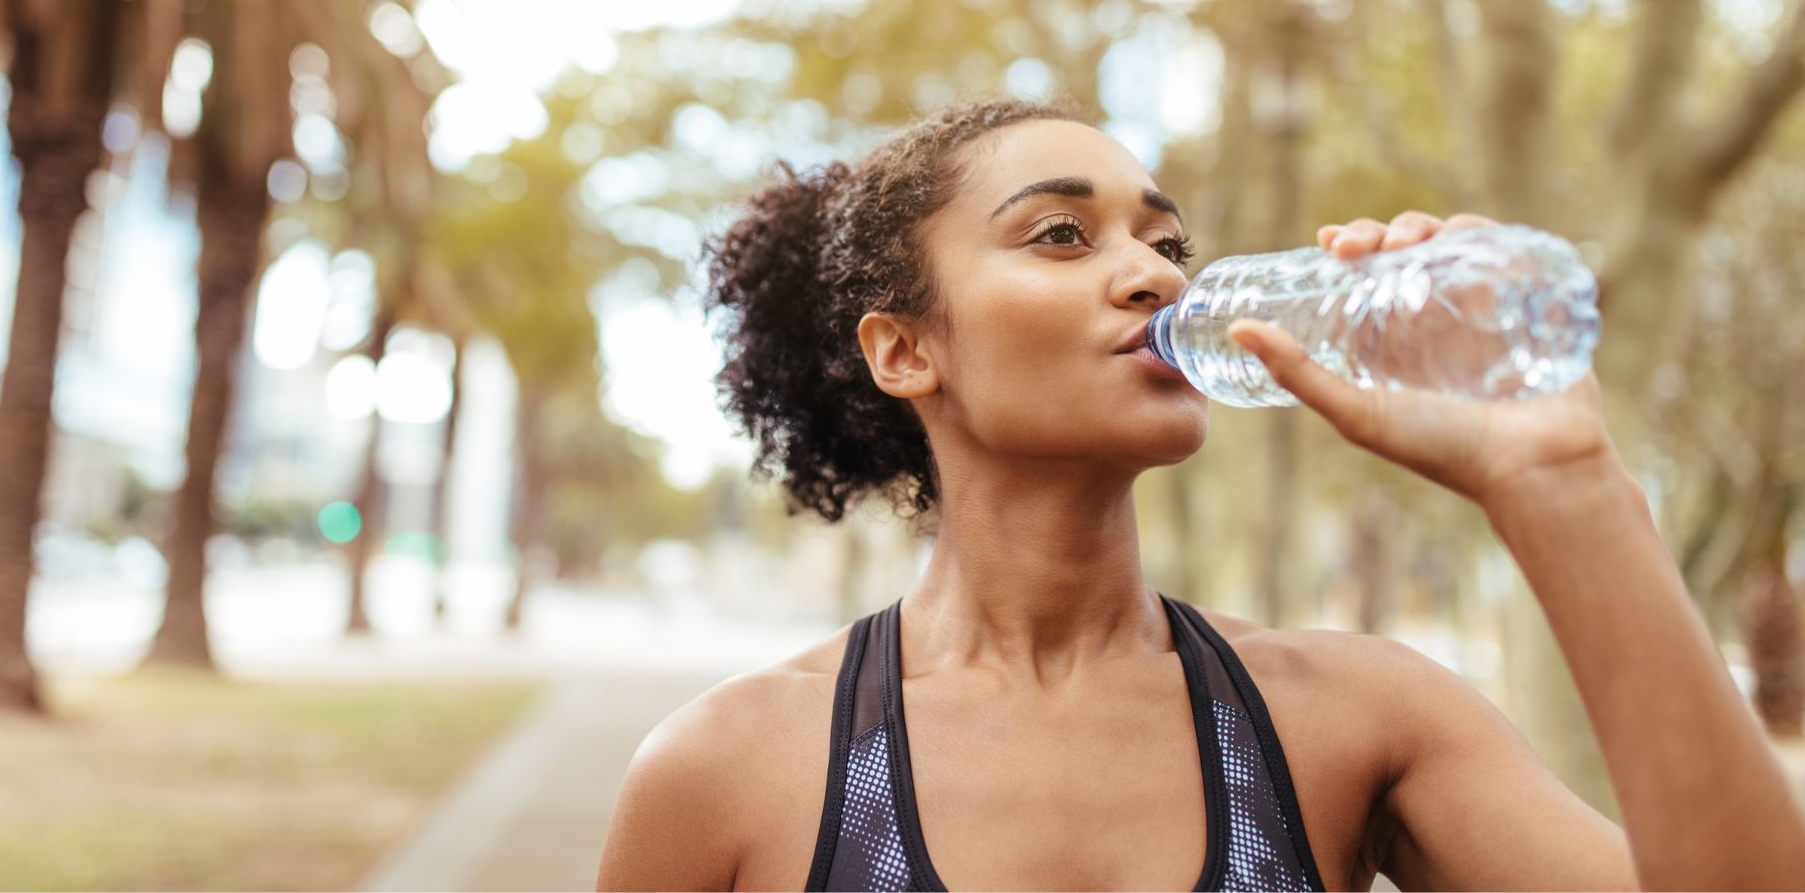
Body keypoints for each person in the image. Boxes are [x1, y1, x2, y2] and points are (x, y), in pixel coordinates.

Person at [596, 99, 1805, 891]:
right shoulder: (730, 768)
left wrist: (1567, 487)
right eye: (1062, 236)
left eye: (1166, 246)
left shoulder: (1356, 720)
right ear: (906, 350)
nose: (1150, 278)